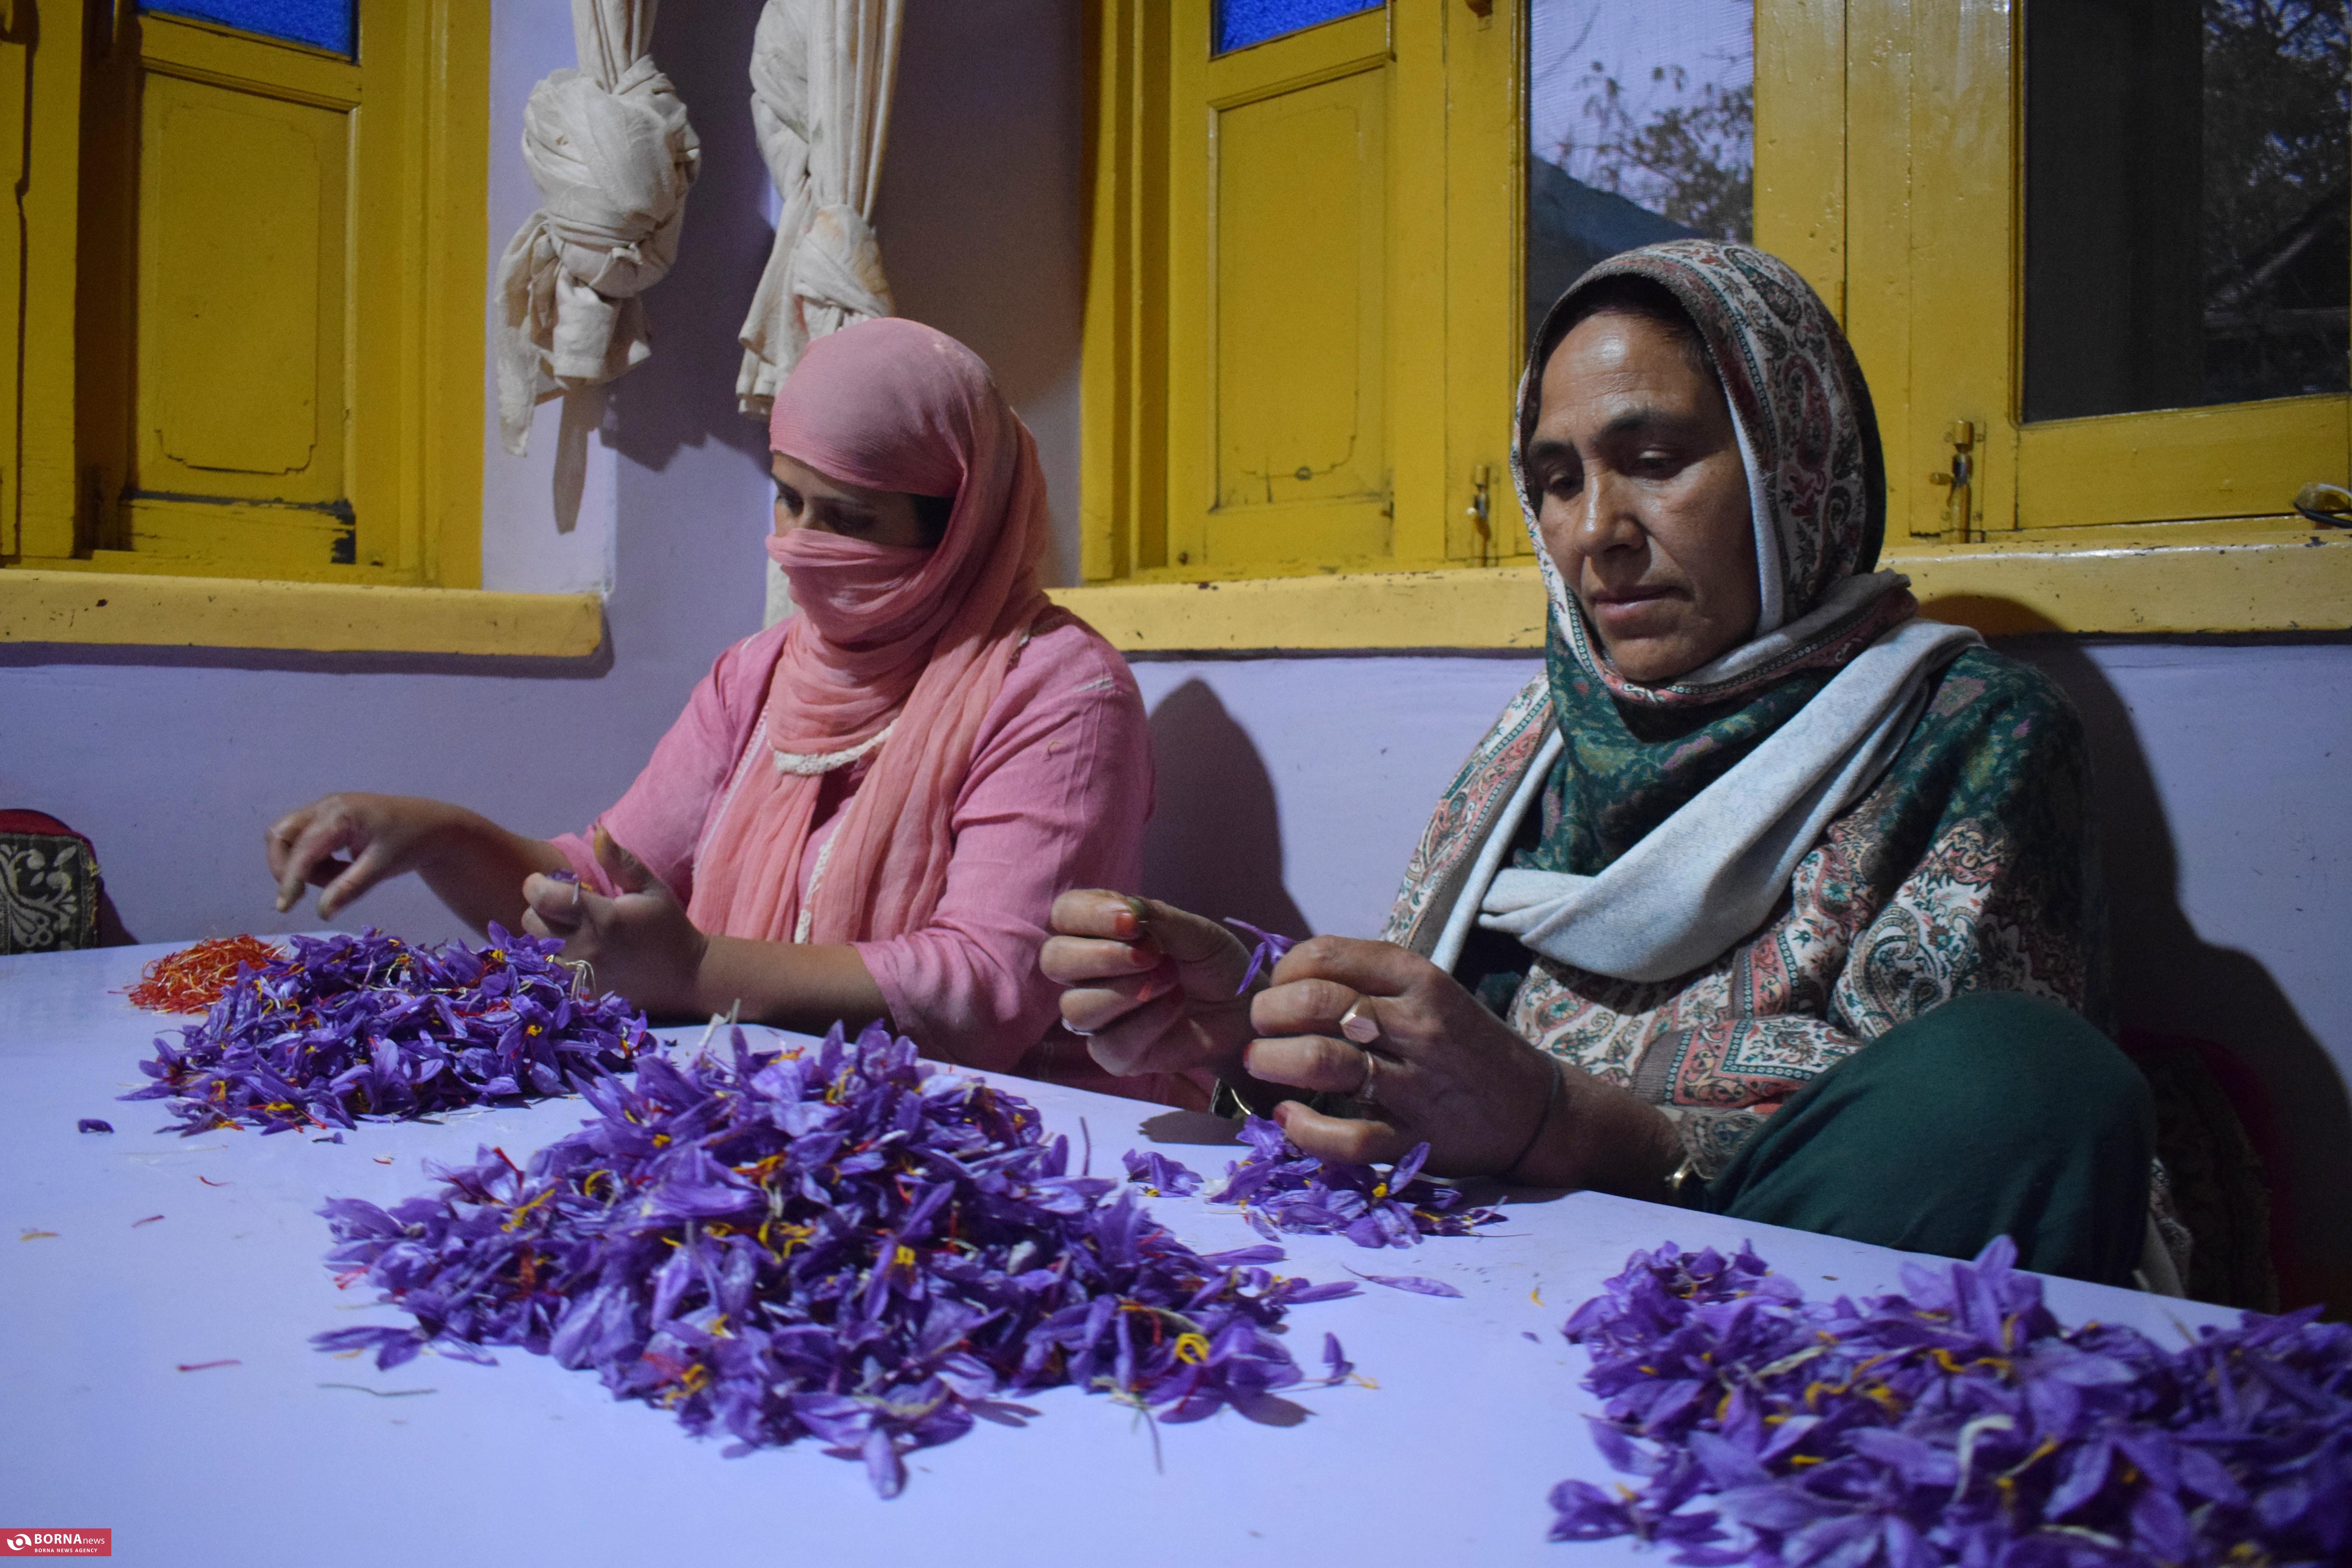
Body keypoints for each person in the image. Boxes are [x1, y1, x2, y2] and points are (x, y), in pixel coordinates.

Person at [1044, 241, 2165, 1287]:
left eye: (1657, 462)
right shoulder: (1542, 738)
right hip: (1504, 1261)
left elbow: (1940, 1157)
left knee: (2018, 1082)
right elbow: (1440, 1056)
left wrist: (1564, 1122)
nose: (1597, 532)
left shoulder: (1968, 729)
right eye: (1561, 480)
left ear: (1794, 465)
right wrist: (1258, 1019)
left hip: (1769, 1302)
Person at [269, 318, 1172, 1096]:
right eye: (789, 499)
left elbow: (988, 991)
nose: (803, 548)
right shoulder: (761, 673)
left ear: (958, 527)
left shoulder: (1058, 690)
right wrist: (439, 835)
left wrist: (700, 972)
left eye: (851, 520)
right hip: (768, 1121)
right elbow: (606, 884)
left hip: (1002, 1141)